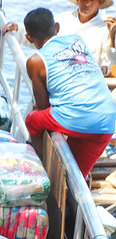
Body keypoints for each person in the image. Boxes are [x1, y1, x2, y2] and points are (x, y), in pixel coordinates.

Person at [22, 7, 116, 178]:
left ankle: (42, 172)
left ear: (29, 37)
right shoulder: (76, 39)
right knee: (74, 177)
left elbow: (43, 106)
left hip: (76, 116)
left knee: (32, 120)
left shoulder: (35, 61)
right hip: (107, 119)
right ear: (56, 28)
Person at [3, 0, 116, 75]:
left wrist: (112, 37)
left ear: (100, 1)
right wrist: (18, 28)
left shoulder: (105, 29)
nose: (86, 3)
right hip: (54, 77)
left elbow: (109, 63)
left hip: (84, 85)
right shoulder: (62, 19)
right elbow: (41, 37)